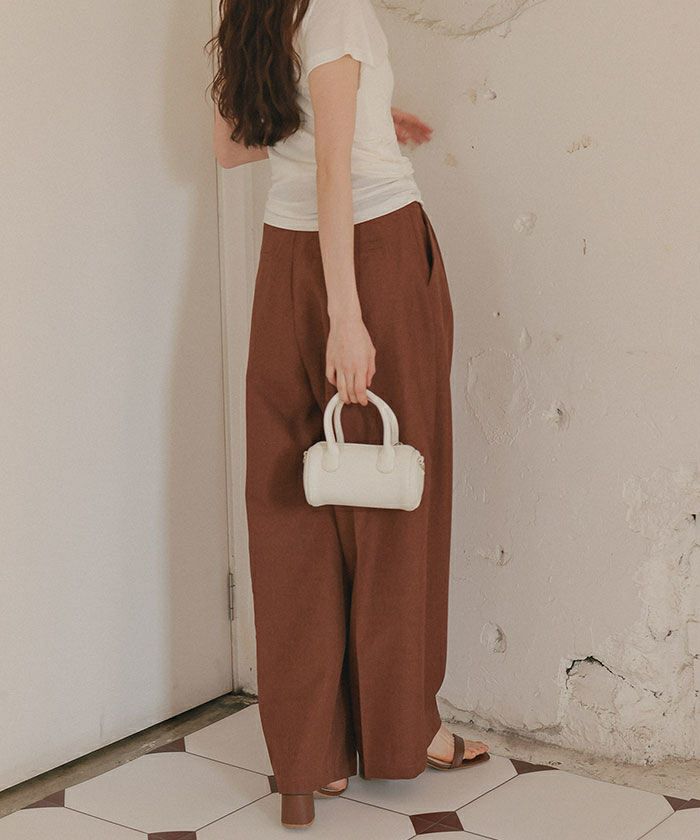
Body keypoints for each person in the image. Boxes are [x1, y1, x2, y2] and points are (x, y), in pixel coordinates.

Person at [208, 0, 489, 828]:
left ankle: (307, 762)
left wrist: (363, 122)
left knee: (289, 508)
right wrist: (347, 317)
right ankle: (405, 732)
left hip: (283, 265)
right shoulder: (339, 9)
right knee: (395, 504)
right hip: (371, 264)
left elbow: (233, 146)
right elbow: (335, 172)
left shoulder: (244, 6)